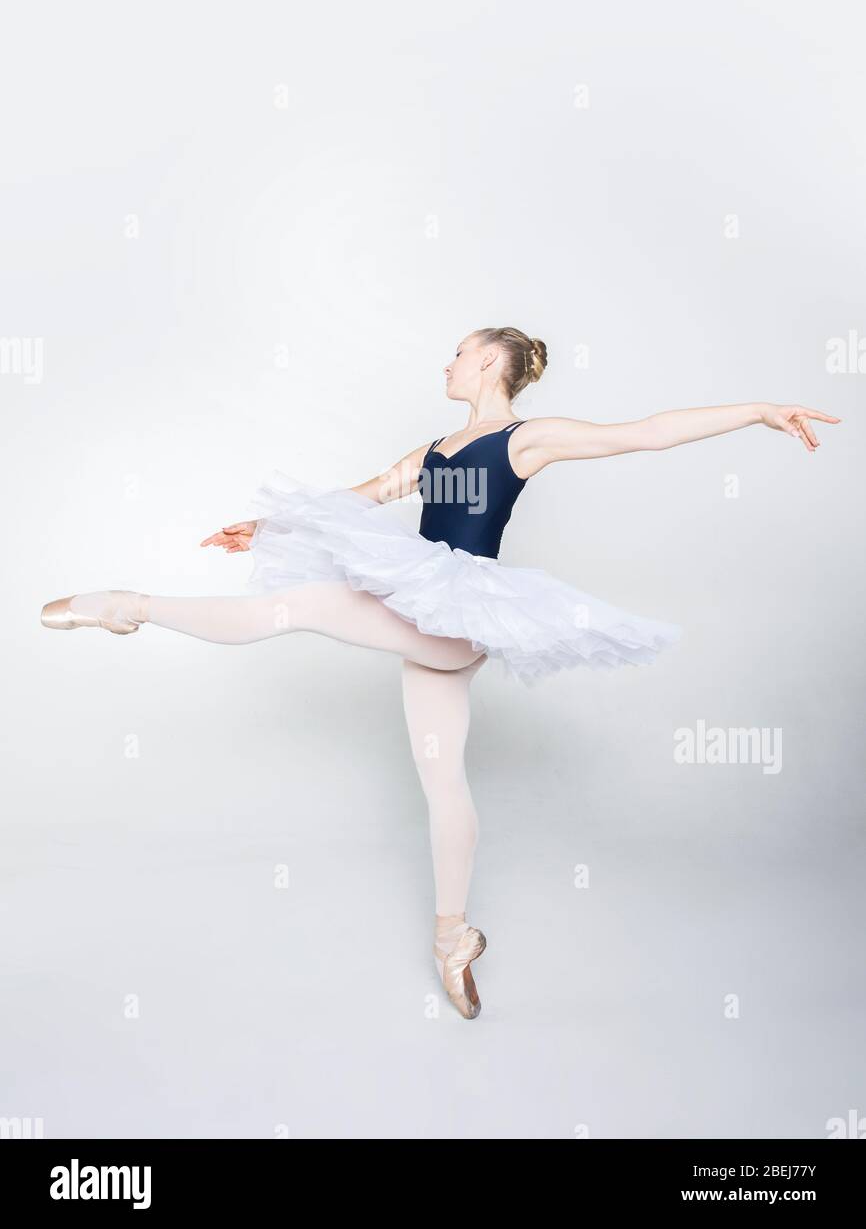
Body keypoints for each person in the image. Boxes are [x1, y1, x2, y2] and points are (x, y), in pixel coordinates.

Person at [40, 326, 840, 1018]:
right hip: (426, 611)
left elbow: (648, 430)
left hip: (458, 616)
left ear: (493, 364)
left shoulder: (524, 440)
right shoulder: (430, 452)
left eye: (459, 355)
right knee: (441, 775)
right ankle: (455, 937)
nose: (447, 366)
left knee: (309, 604)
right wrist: (265, 525)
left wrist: (761, 411)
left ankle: (130, 606)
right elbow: (357, 499)